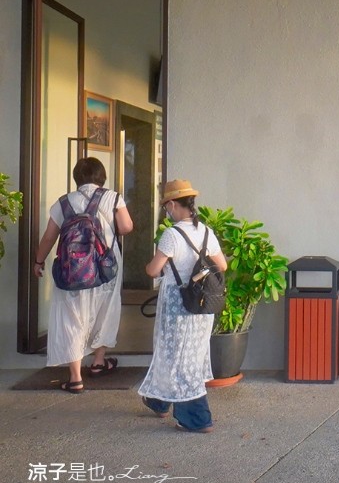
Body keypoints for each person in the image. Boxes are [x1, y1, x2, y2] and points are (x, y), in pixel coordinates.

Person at [32, 157, 134, 392]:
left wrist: (38, 261)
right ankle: (98, 362)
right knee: (106, 310)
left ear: (76, 177)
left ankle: (75, 377)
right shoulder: (113, 198)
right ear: (102, 176)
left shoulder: (63, 202)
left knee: (72, 317)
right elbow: (126, 227)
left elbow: (49, 237)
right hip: (105, 266)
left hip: (72, 269)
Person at [137, 179, 227, 433]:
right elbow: (222, 265)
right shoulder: (206, 232)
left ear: (172, 205)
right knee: (189, 355)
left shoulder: (172, 235)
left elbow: (153, 270)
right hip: (201, 305)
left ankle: (198, 419)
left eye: (166, 206)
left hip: (178, 304)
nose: (167, 211)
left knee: (176, 355)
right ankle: (158, 401)